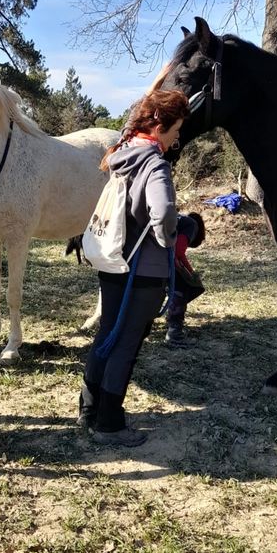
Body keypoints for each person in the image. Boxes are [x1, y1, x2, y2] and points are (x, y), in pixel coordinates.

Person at [79, 88, 191, 446]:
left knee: (107, 334)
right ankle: (109, 424)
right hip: (143, 273)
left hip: (112, 261)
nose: (177, 139)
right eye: (175, 131)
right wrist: (173, 235)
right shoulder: (154, 163)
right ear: (159, 126)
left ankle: (89, 405)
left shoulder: (124, 153)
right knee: (127, 343)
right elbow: (162, 215)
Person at [165, 212, 206, 347]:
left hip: (149, 255)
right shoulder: (191, 225)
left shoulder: (178, 218)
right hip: (164, 258)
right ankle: (175, 333)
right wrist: (190, 273)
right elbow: (178, 252)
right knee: (182, 288)